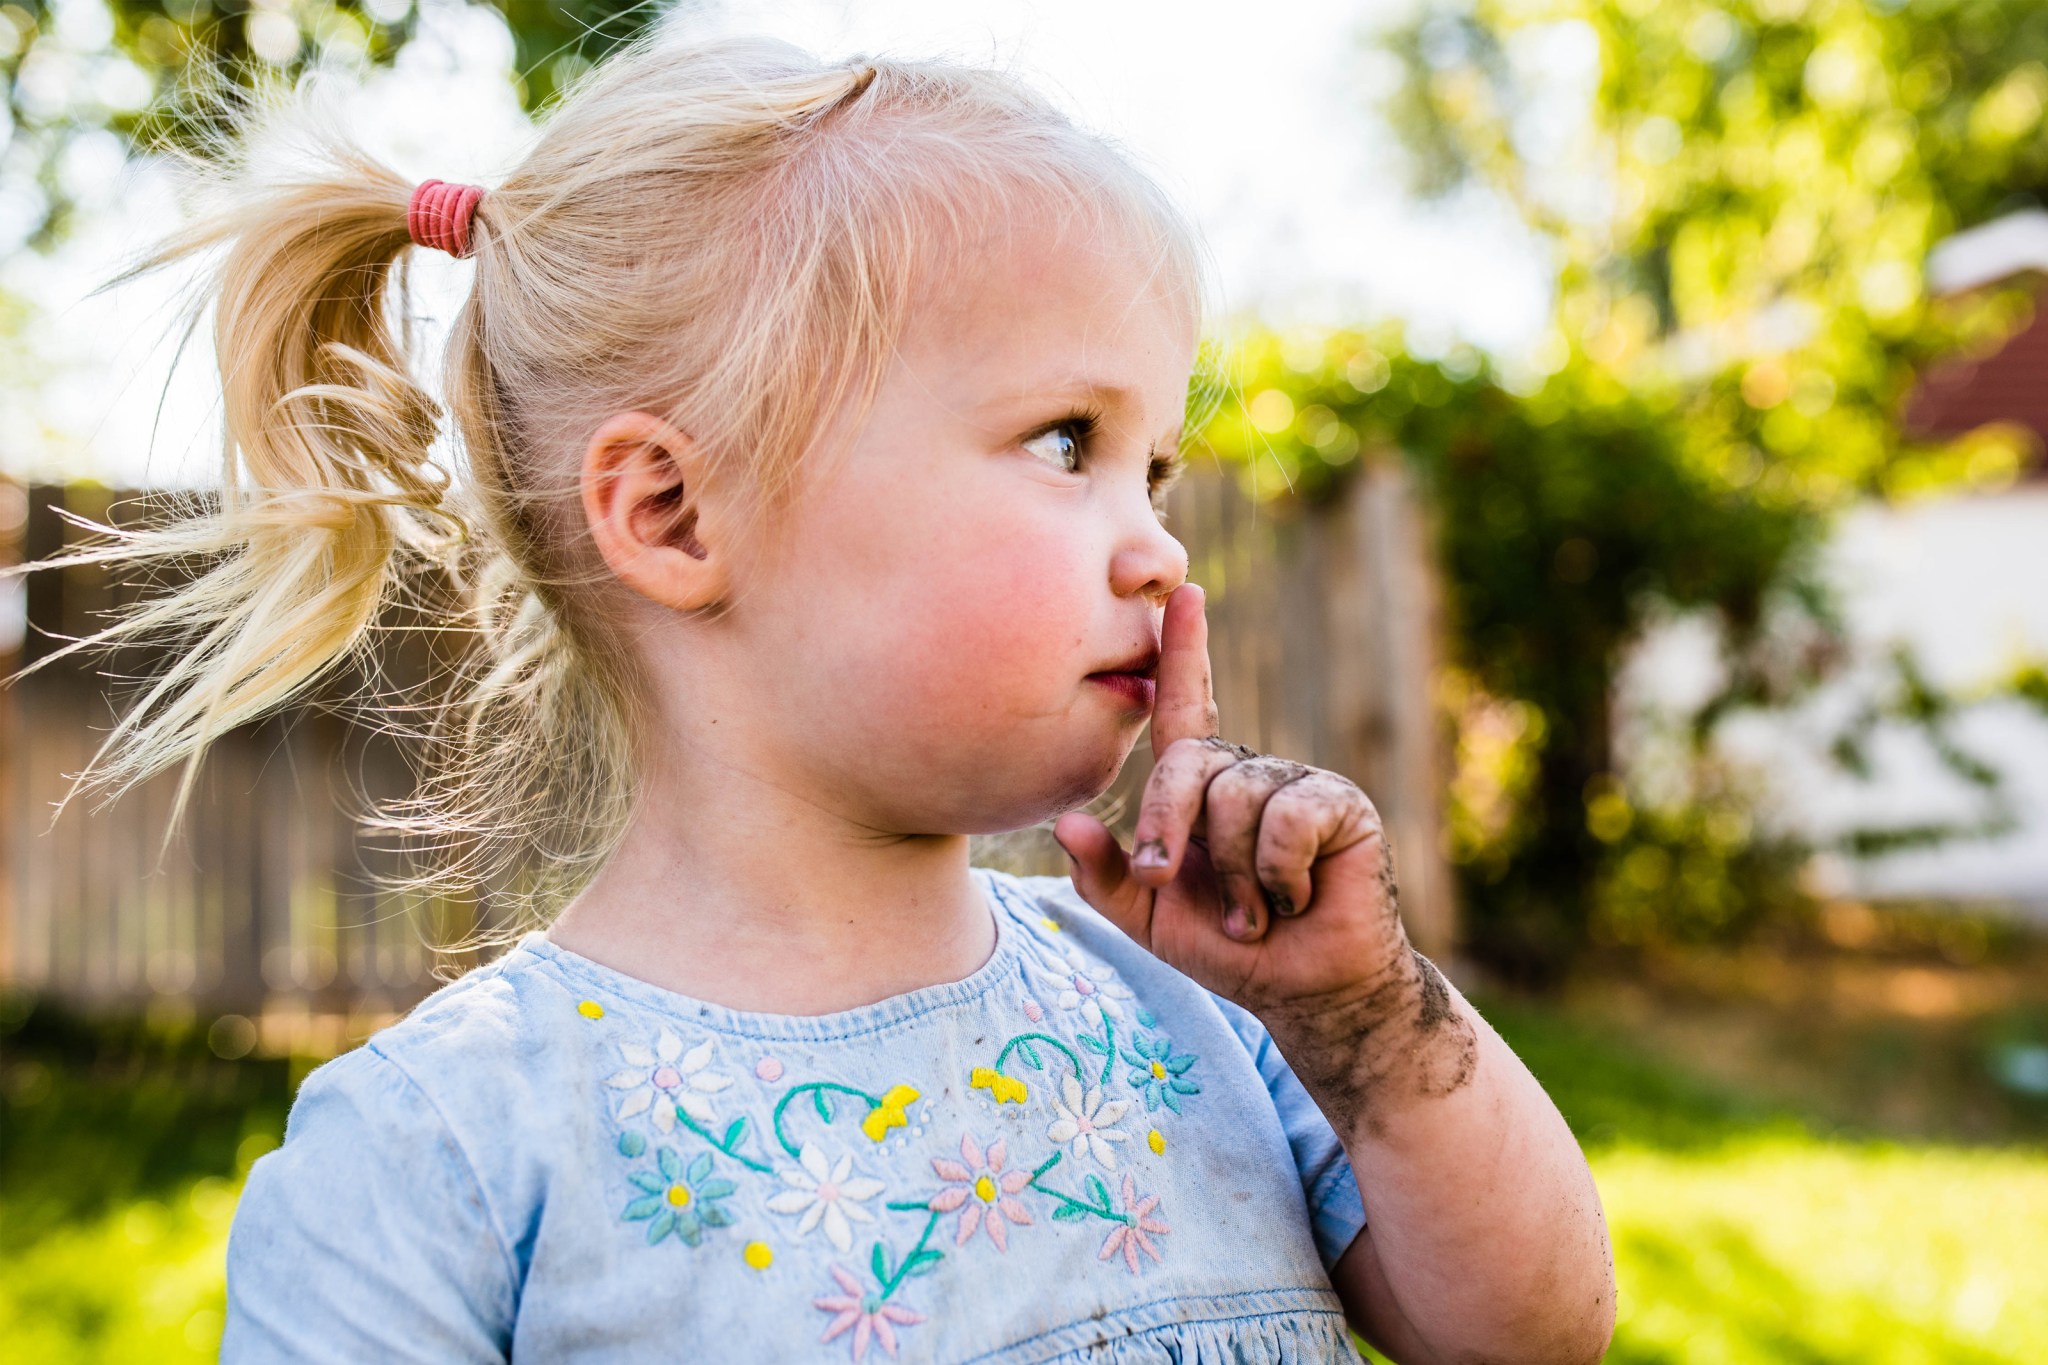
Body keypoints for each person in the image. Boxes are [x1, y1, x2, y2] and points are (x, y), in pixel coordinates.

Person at [39, 30, 1613, 1364]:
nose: (1156, 541)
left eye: (1157, 464)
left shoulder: (1204, 1016)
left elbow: (1533, 1331)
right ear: (672, 515)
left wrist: (1367, 1017)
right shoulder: (444, 1157)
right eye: (1068, 440)